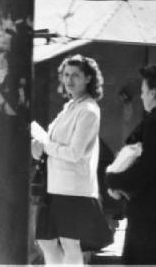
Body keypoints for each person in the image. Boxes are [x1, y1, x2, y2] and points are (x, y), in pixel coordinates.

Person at [31, 54, 112, 264]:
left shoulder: (88, 110)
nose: (69, 80)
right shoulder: (70, 107)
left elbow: (75, 152)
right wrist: (39, 147)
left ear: (88, 79)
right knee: (46, 241)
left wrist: (46, 147)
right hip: (56, 185)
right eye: (66, 75)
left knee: (70, 243)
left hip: (73, 187)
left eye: (75, 75)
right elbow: (54, 142)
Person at [105, 65, 156, 265]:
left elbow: (147, 169)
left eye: (143, 92)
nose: (141, 97)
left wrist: (113, 180)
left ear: (153, 92)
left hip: (148, 215)